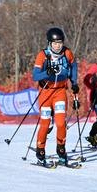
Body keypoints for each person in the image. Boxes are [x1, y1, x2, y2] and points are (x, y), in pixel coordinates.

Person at [32, 27, 79, 165]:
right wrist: (48, 73)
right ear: (49, 43)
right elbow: (35, 76)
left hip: (60, 92)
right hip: (46, 93)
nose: (58, 45)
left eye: (60, 42)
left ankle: (61, 150)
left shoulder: (67, 53)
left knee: (60, 123)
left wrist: (74, 82)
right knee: (45, 124)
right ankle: (40, 151)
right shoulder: (43, 55)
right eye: (55, 43)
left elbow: (73, 67)